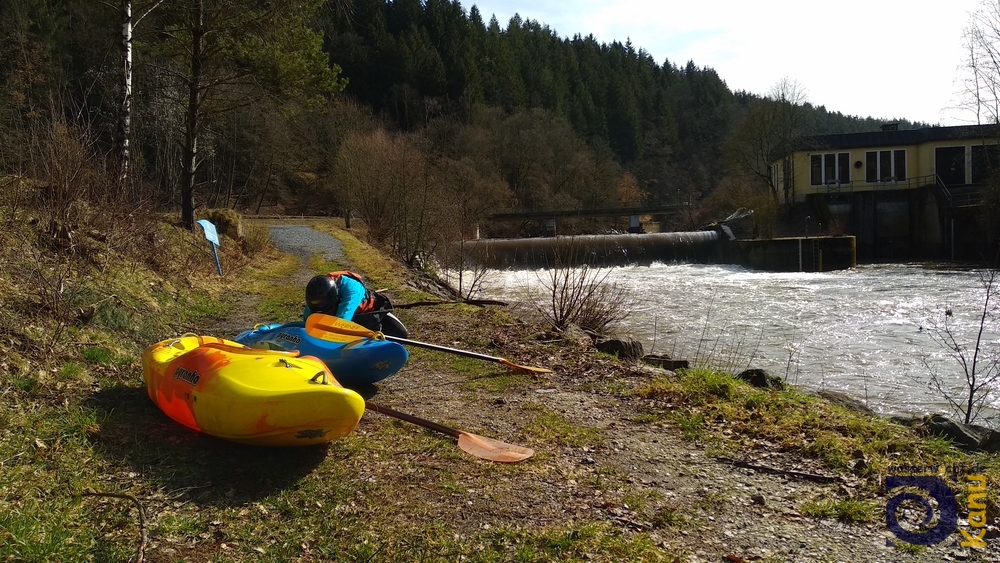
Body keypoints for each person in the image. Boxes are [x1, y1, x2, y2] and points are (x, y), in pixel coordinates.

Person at [303, 271, 408, 337]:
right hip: (341, 314)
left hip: (366, 314)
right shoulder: (317, 293)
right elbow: (306, 322)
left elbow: (341, 323)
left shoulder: (351, 290)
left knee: (401, 334)